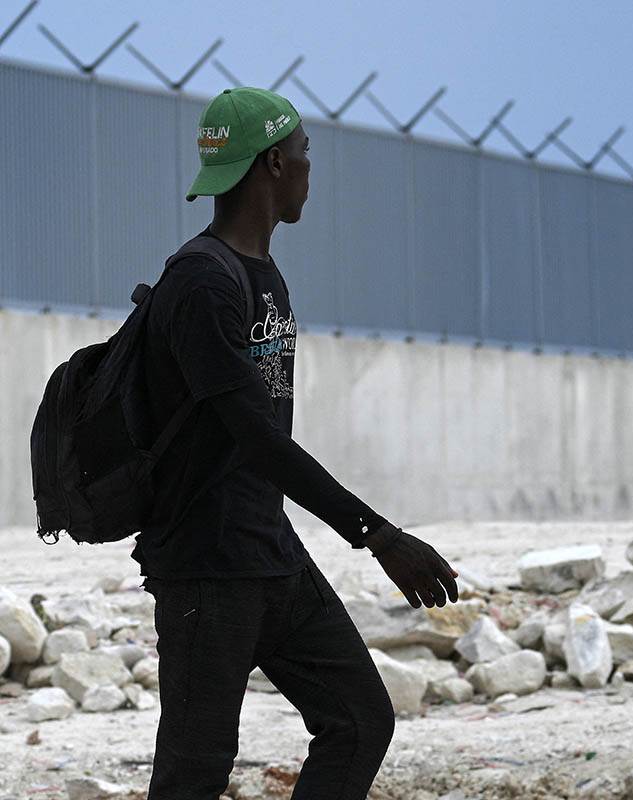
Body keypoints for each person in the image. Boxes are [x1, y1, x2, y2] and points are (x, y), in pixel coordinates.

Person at [132, 86, 458, 799]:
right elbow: (255, 436)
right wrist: (375, 533)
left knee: (360, 721)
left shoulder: (262, 275)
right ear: (275, 163)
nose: (312, 167)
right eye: (306, 153)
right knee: (193, 771)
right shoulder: (200, 282)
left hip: (266, 548)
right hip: (206, 565)